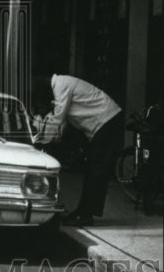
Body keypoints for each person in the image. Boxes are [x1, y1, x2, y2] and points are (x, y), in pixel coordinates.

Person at [33, 73, 123, 226]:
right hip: (103, 123)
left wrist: (40, 142)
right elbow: (62, 124)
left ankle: (86, 215)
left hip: (107, 120)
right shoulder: (60, 86)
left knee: (96, 170)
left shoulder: (61, 86)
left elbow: (57, 119)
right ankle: (82, 211)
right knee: (91, 169)